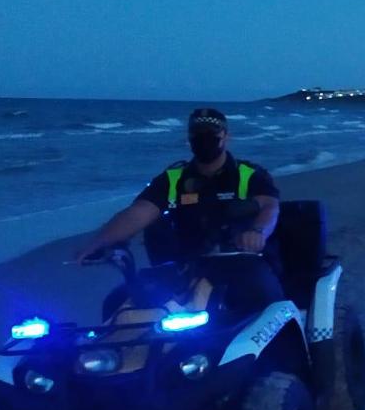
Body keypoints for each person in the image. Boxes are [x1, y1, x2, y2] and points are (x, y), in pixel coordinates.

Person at [74, 108, 284, 312]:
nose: (204, 139)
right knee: (118, 303)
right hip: (186, 267)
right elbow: (138, 212)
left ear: (226, 136)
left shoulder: (249, 175)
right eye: (198, 134)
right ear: (189, 138)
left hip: (242, 263)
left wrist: (257, 232)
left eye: (211, 134)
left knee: (264, 301)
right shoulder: (173, 179)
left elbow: (269, 206)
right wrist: (98, 242)